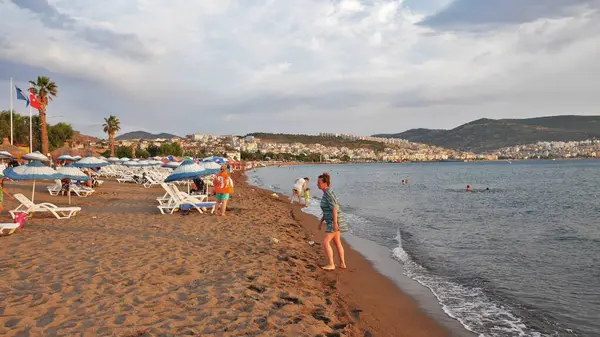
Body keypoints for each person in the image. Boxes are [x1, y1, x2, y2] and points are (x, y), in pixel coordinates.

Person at [317, 173, 347, 271]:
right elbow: (327, 210)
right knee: (337, 242)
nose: (317, 184)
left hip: (334, 221)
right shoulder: (326, 193)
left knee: (325, 242)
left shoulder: (328, 193)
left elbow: (334, 208)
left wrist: (335, 223)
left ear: (325, 183)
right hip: (333, 220)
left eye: (319, 182)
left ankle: (331, 264)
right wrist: (321, 221)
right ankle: (342, 263)